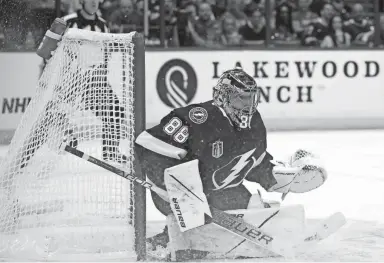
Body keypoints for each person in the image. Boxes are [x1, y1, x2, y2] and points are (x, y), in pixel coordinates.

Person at [135, 67, 327, 260]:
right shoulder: (197, 117)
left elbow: (254, 163)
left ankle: (170, 240)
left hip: (223, 192)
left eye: (251, 98)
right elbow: (150, 147)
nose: (247, 105)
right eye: (240, 98)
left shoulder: (255, 123)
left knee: (255, 209)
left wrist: (277, 176)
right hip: (180, 194)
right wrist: (177, 189)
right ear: (222, 97)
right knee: (193, 227)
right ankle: (171, 240)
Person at [19, 0, 127, 170]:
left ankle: (111, 153)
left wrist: (101, 79)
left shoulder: (103, 25)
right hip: (69, 81)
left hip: (93, 82)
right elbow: (47, 51)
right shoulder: (68, 22)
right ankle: (24, 159)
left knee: (115, 112)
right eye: (90, 0)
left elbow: (104, 56)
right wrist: (52, 80)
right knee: (48, 121)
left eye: (97, 0)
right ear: (82, 2)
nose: (94, 3)